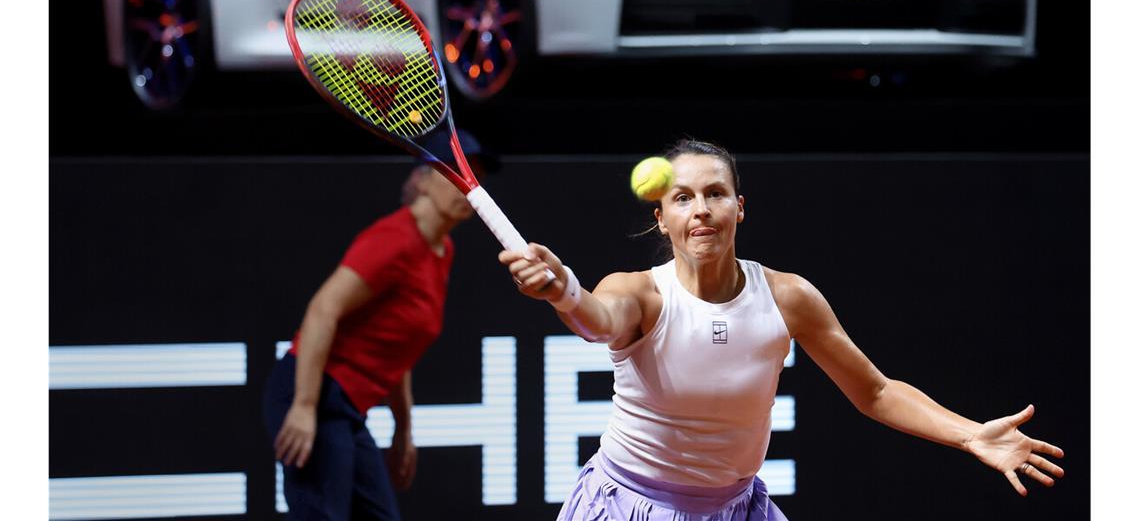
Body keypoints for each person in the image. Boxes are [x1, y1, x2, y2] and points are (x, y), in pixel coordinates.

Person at [500, 138, 1065, 521]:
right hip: (632, 504)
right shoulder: (640, 293)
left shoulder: (787, 297)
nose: (700, 209)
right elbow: (595, 322)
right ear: (661, 217)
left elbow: (874, 390)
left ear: (739, 207)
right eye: (682, 198)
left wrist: (970, 434)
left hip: (738, 506)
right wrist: (563, 289)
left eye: (715, 194)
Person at [263, 131, 489, 521]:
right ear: (422, 178)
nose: (467, 184)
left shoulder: (441, 251)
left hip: (348, 410)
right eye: (455, 171)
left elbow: (397, 350)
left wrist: (403, 430)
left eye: (473, 174)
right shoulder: (396, 239)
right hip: (315, 396)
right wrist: (304, 406)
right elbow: (322, 309)